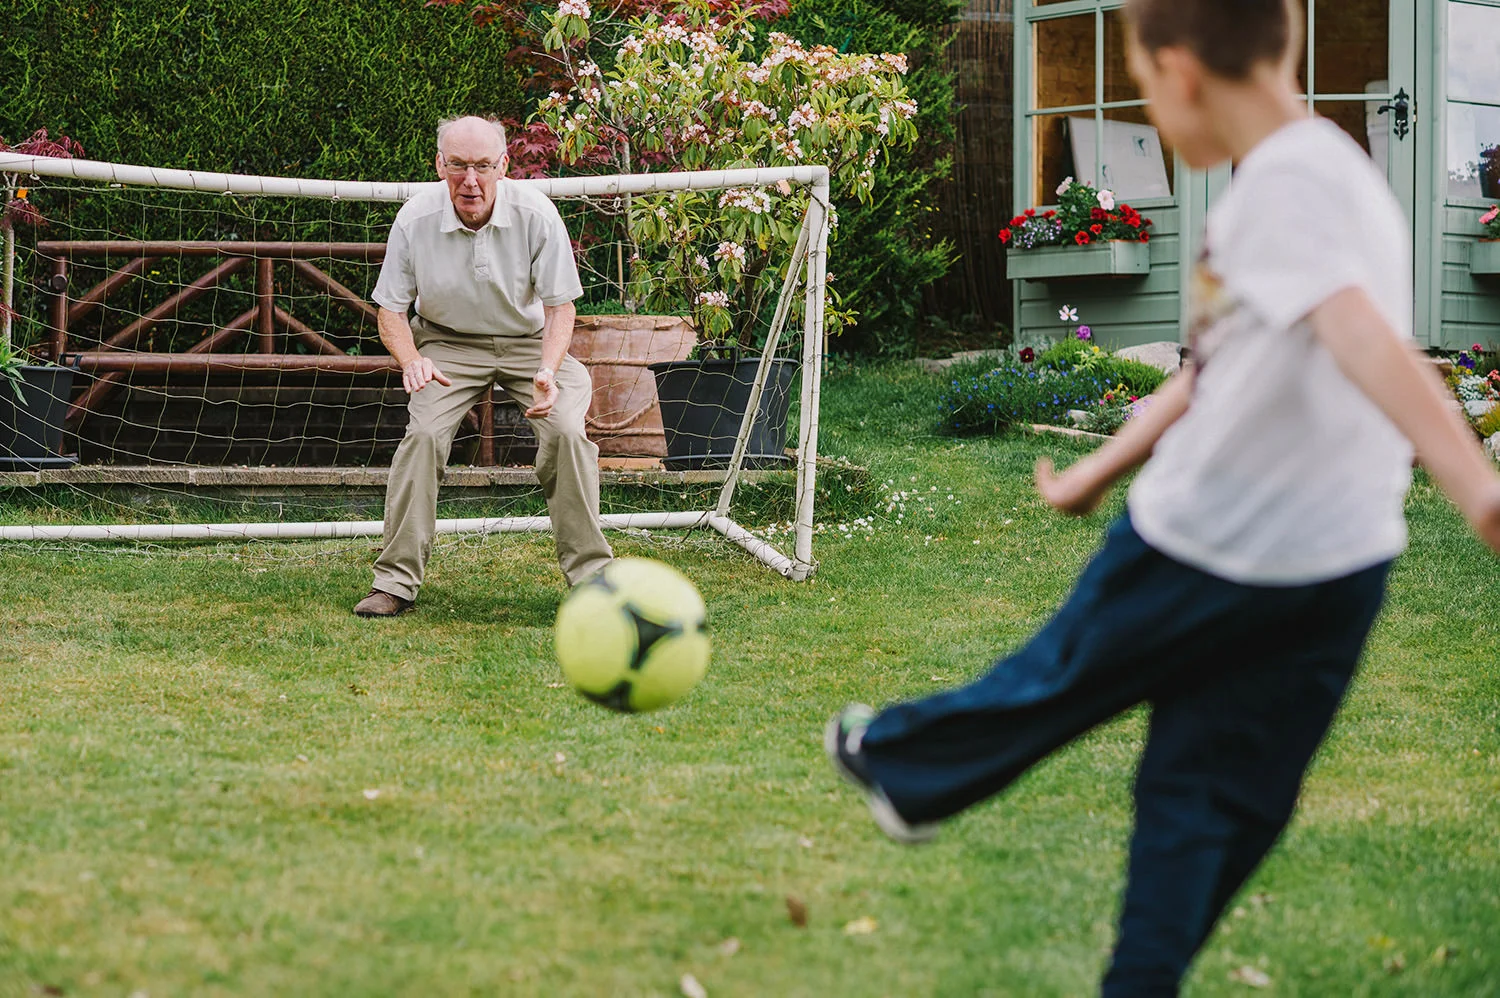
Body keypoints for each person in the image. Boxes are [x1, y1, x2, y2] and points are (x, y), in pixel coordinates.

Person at [823, 1, 1500, 993]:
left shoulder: (1284, 184)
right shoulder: (1330, 174)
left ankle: (898, 761)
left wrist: (1480, 492)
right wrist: (1103, 464)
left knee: (1064, 674)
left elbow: (1365, 339)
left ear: (1179, 71)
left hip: (1210, 540)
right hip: (1333, 566)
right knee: (1211, 801)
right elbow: (1212, 367)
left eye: (1142, 83)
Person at [353, 116, 613, 617]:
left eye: (482, 166)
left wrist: (547, 368)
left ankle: (594, 580)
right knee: (423, 436)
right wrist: (411, 361)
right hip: (447, 347)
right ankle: (394, 584)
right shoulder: (414, 218)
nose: (470, 180)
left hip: (530, 343)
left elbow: (561, 308)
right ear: (439, 165)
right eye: (457, 166)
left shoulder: (536, 214)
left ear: (503, 166)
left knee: (565, 432)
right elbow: (390, 310)